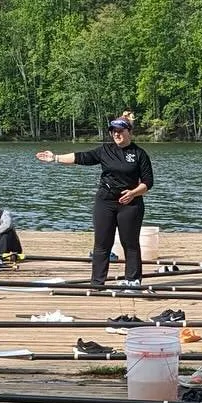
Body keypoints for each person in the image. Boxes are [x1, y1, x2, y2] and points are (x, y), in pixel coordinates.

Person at [37, 114, 154, 289]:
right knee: (102, 243)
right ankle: (97, 283)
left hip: (130, 204)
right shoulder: (105, 150)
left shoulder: (139, 154)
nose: (116, 134)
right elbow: (81, 157)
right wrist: (55, 158)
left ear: (129, 132)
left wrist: (134, 193)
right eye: (113, 131)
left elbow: (148, 182)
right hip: (105, 202)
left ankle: (133, 280)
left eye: (120, 130)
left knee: (129, 243)